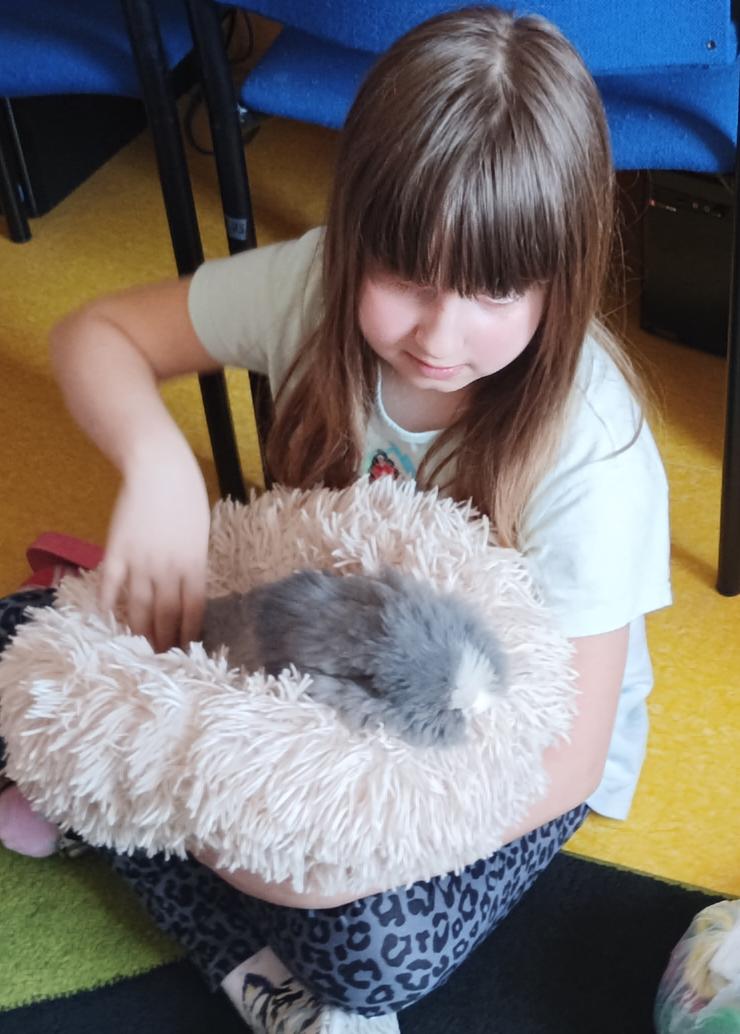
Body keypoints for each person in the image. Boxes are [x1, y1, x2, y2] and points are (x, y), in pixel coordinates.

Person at [1, 5, 671, 1032]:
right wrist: (158, 463)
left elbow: (563, 763)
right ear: (355, 237)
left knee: (365, 946)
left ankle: (232, 939)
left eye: (494, 290)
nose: (439, 335)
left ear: (560, 278)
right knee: (20, 645)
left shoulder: (591, 449)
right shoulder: (313, 287)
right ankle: (153, 823)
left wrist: (309, 859)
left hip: (486, 745)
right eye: (404, 277)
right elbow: (95, 332)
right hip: (315, 649)